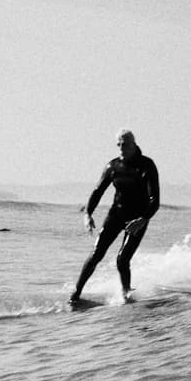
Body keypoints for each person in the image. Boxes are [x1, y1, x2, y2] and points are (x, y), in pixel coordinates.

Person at [71, 130, 160, 304]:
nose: (121, 148)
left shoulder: (147, 165)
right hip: (116, 214)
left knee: (122, 259)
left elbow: (154, 199)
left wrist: (143, 219)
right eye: (118, 144)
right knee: (96, 254)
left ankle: (126, 294)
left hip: (137, 219)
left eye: (124, 145)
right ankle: (76, 294)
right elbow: (97, 191)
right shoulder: (113, 166)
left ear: (133, 144)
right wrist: (88, 213)